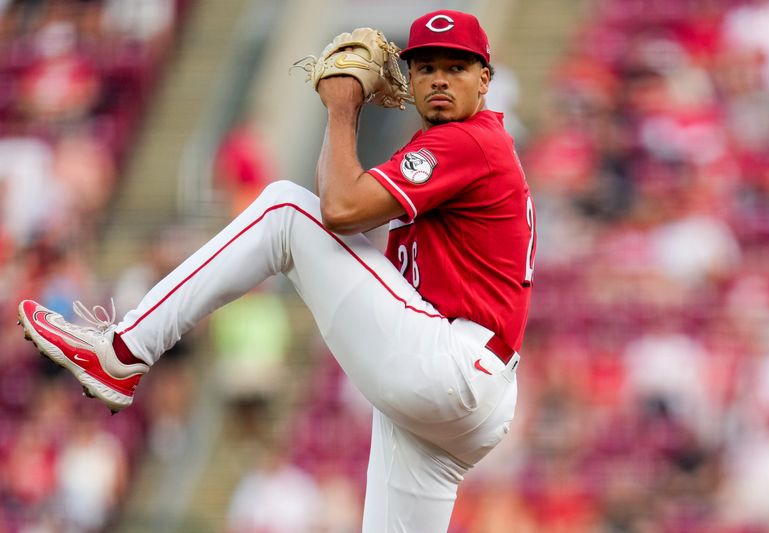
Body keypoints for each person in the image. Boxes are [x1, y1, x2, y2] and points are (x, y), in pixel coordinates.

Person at [18, 9, 535, 532]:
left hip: (452, 366)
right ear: (409, 78)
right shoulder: (463, 147)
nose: (441, 79)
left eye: (457, 67)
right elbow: (339, 203)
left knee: (285, 210)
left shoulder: (466, 141)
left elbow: (334, 209)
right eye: (426, 68)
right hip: (464, 391)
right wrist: (344, 113)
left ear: (484, 79)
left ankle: (123, 350)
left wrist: (342, 108)